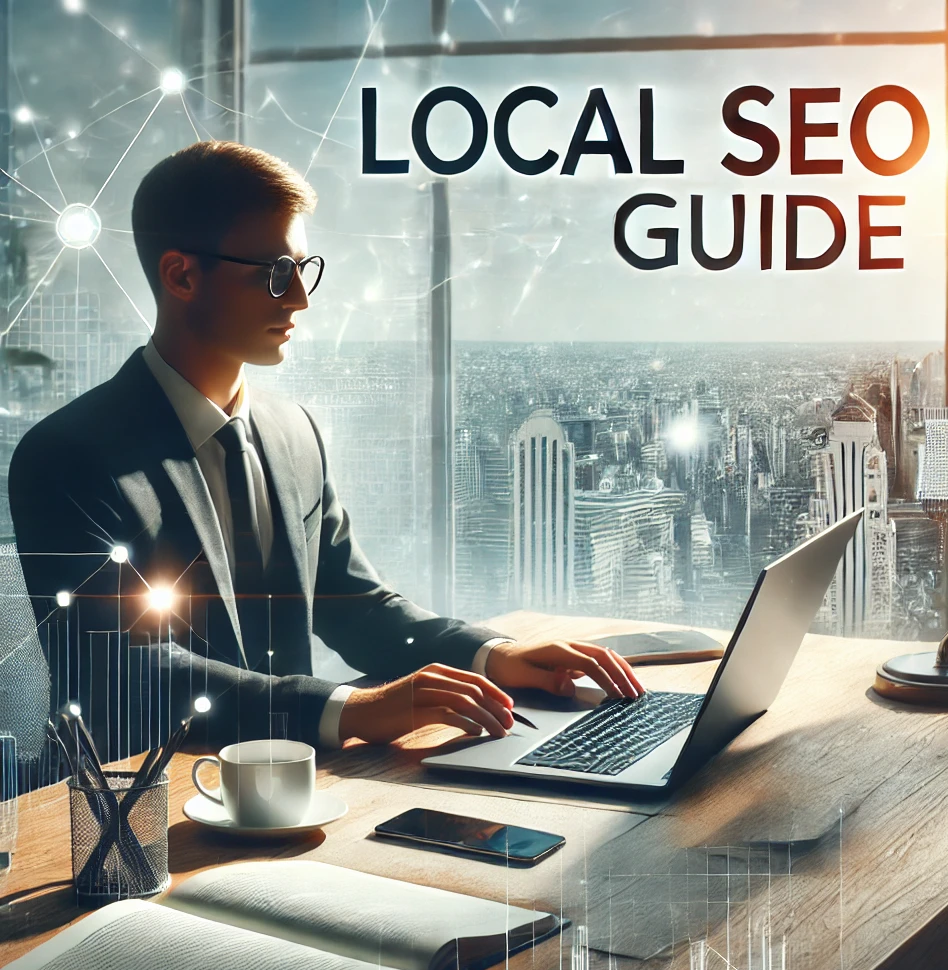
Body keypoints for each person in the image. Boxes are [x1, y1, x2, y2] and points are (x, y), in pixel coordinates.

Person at [9, 140, 643, 764]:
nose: (301, 300)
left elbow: (351, 603)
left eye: (304, 270)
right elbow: (123, 671)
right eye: (277, 274)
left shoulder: (293, 434)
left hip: (293, 790)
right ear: (181, 274)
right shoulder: (70, 456)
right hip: (140, 814)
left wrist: (493, 656)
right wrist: (349, 710)